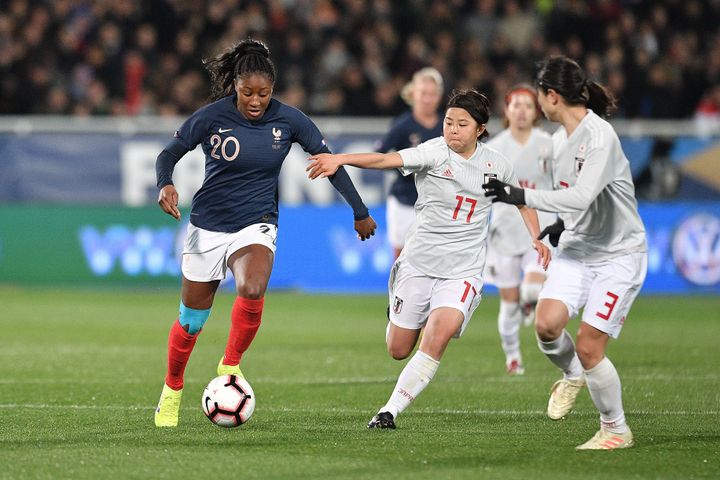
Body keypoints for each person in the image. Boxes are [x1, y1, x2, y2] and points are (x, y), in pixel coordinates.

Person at [153, 39, 377, 427]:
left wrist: (359, 211)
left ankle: (231, 364)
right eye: (247, 93)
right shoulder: (210, 117)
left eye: (264, 93)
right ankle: (172, 389)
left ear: (273, 90)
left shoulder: (290, 120)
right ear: (235, 87)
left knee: (253, 287)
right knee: (191, 322)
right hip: (206, 226)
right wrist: (165, 183)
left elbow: (330, 164)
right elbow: (168, 154)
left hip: (256, 222)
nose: (256, 101)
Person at [307, 89, 551, 429]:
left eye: (461, 124)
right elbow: (384, 160)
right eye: (448, 122)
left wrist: (537, 237)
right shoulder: (433, 153)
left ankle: (388, 411)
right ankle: (397, 312)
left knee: (439, 334)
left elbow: (522, 202)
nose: (451, 129)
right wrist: (340, 159)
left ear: (480, 128)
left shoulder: (497, 165)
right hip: (419, 264)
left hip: (463, 272)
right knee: (398, 348)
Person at [483, 55, 647, 450]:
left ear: (552, 96)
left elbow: (582, 194)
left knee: (590, 344)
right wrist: (559, 225)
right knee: (546, 324)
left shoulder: (600, 136)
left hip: (618, 255)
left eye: (540, 95)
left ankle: (615, 429)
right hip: (578, 247)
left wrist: (522, 195)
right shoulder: (559, 141)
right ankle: (573, 375)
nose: (538, 103)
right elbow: (573, 200)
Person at [484, 84, 555, 375]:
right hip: (504, 231)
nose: (522, 111)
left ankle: (531, 304)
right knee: (509, 303)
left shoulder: (549, 143)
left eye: (528, 105)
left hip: (540, 229)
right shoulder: (495, 147)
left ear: (536, 111)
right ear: (507, 110)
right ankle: (513, 357)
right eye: (517, 105)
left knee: (532, 289)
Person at [377, 67, 444, 259]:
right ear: (414, 93)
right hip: (405, 199)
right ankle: (398, 290)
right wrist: (403, 168)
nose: (428, 99)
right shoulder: (403, 125)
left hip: (436, 203)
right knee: (401, 257)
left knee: (434, 258)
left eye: (432, 94)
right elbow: (380, 153)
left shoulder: (446, 124)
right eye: (424, 93)